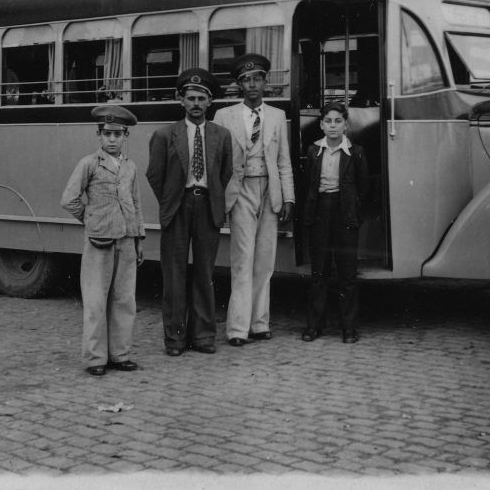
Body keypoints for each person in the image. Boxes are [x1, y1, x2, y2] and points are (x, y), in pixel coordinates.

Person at [146, 68, 233, 356]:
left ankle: (204, 337)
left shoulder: (222, 135)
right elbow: (155, 174)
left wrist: (210, 195)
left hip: (207, 205)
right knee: (174, 276)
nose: (196, 103)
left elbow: (225, 172)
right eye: (191, 98)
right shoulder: (164, 135)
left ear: (210, 103)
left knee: (205, 274)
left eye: (201, 99)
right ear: (180, 100)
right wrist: (171, 200)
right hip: (178, 207)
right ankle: (175, 339)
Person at [214, 53, 295, 347]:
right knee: (241, 260)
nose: (252, 85)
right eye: (246, 80)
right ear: (239, 84)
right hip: (241, 191)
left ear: (265, 82)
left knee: (264, 261)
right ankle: (237, 329)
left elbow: (284, 160)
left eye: (257, 79)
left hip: (269, 191)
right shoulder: (224, 116)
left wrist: (288, 197)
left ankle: (260, 323)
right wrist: (220, 200)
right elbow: (219, 163)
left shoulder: (276, 116)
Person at [60, 104, 146, 376]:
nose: (112, 139)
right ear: (98, 135)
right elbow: (69, 199)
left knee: (124, 301)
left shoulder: (130, 167)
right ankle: (96, 359)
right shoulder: (89, 164)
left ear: (125, 137)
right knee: (96, 301)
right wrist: (91, 219)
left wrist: (138, 237)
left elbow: (135, 203)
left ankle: (120, 355)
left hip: (126, 241)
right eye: (107, 134)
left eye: (117, 134)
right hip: (99, 242)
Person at [301, 103, 370, 344]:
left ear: (345, 125)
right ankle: (314, 325)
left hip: (345, 214)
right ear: (321, 125)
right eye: (328, 121)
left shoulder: (356, 152)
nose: (332, 126)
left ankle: (348, 327)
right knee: (319, 271)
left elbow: (363, 187)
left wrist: (352, 212)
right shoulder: (313, 151)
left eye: (337, 121)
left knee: (346, 273)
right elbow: (307, 186)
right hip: (320, 211)